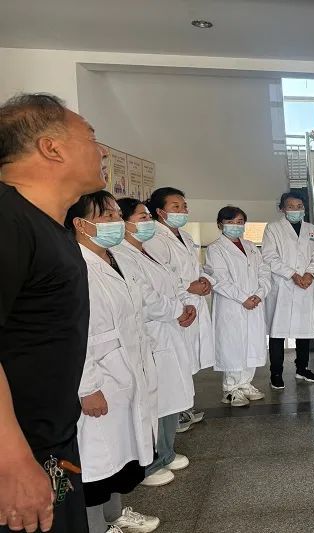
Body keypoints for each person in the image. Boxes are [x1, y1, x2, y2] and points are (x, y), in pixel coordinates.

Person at [0, 93, 107, 533]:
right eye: (91, 138)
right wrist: (11, 460)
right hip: (15, 456)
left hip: (48, 442)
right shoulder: (8, 220)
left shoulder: (50, 227)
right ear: (51, 148)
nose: (102, 151)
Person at [66, 191, 159, 533]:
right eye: (106, 216)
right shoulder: (75, 267)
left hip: (127, 370)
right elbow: (73, 334)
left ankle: (114, 515)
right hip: (99, 377)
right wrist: (87, 388)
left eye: (117, 214)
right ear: (80, 224)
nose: (116, 222)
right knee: (97, 460)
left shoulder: (116, 258)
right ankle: (96, 527)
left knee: (121, 453)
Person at [114, 198, 197, 486]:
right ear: (124, 222)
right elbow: (145, 298)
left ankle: (166, 452)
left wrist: (186, 304)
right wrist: (177, 310)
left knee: (170, 398)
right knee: (154, 402)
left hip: (168, 332)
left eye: (149, 216)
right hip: (151, 335)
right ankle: (148, 465)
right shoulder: (121, 256)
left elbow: (173, 282)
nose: (148, 222)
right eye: (142, 217)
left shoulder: (147, 251)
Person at [144, 187, 212, 431]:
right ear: (160, 211)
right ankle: (176, 413)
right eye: (176, 207)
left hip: (192, 303)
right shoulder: (153, 238)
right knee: (175, 362)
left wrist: (204, 280)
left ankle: (184, 407)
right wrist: (189, 286)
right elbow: (162, 275)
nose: (182, 211)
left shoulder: (185, 235)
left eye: (184, 206)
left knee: (187, 358)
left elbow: (195, 266)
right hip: (175, 306)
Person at [205, 206, 269, 407]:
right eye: (230, 222)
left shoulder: (251, 246)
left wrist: (259, 294)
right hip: (232, 304)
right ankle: (231, 388)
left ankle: (245, 384)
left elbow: (264, 273)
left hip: (254, 302)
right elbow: (219, 279)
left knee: (251, 342)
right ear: (220, 224)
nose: (236, 225)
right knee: (232, 344)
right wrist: (243, 298)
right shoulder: (216, 248)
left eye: (240, 222)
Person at [261, 192, 314, 390]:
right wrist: (293, 275)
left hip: (305, 285)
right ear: (282, 208)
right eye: (291, 206)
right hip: (283, 285)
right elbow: (269, 257)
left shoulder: (312, 230)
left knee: (303, 330)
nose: (296, 210)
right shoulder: (273, 229)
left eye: (299, 206)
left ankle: (302, 368)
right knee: (277, 331)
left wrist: (310, 274)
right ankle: (276, 373)